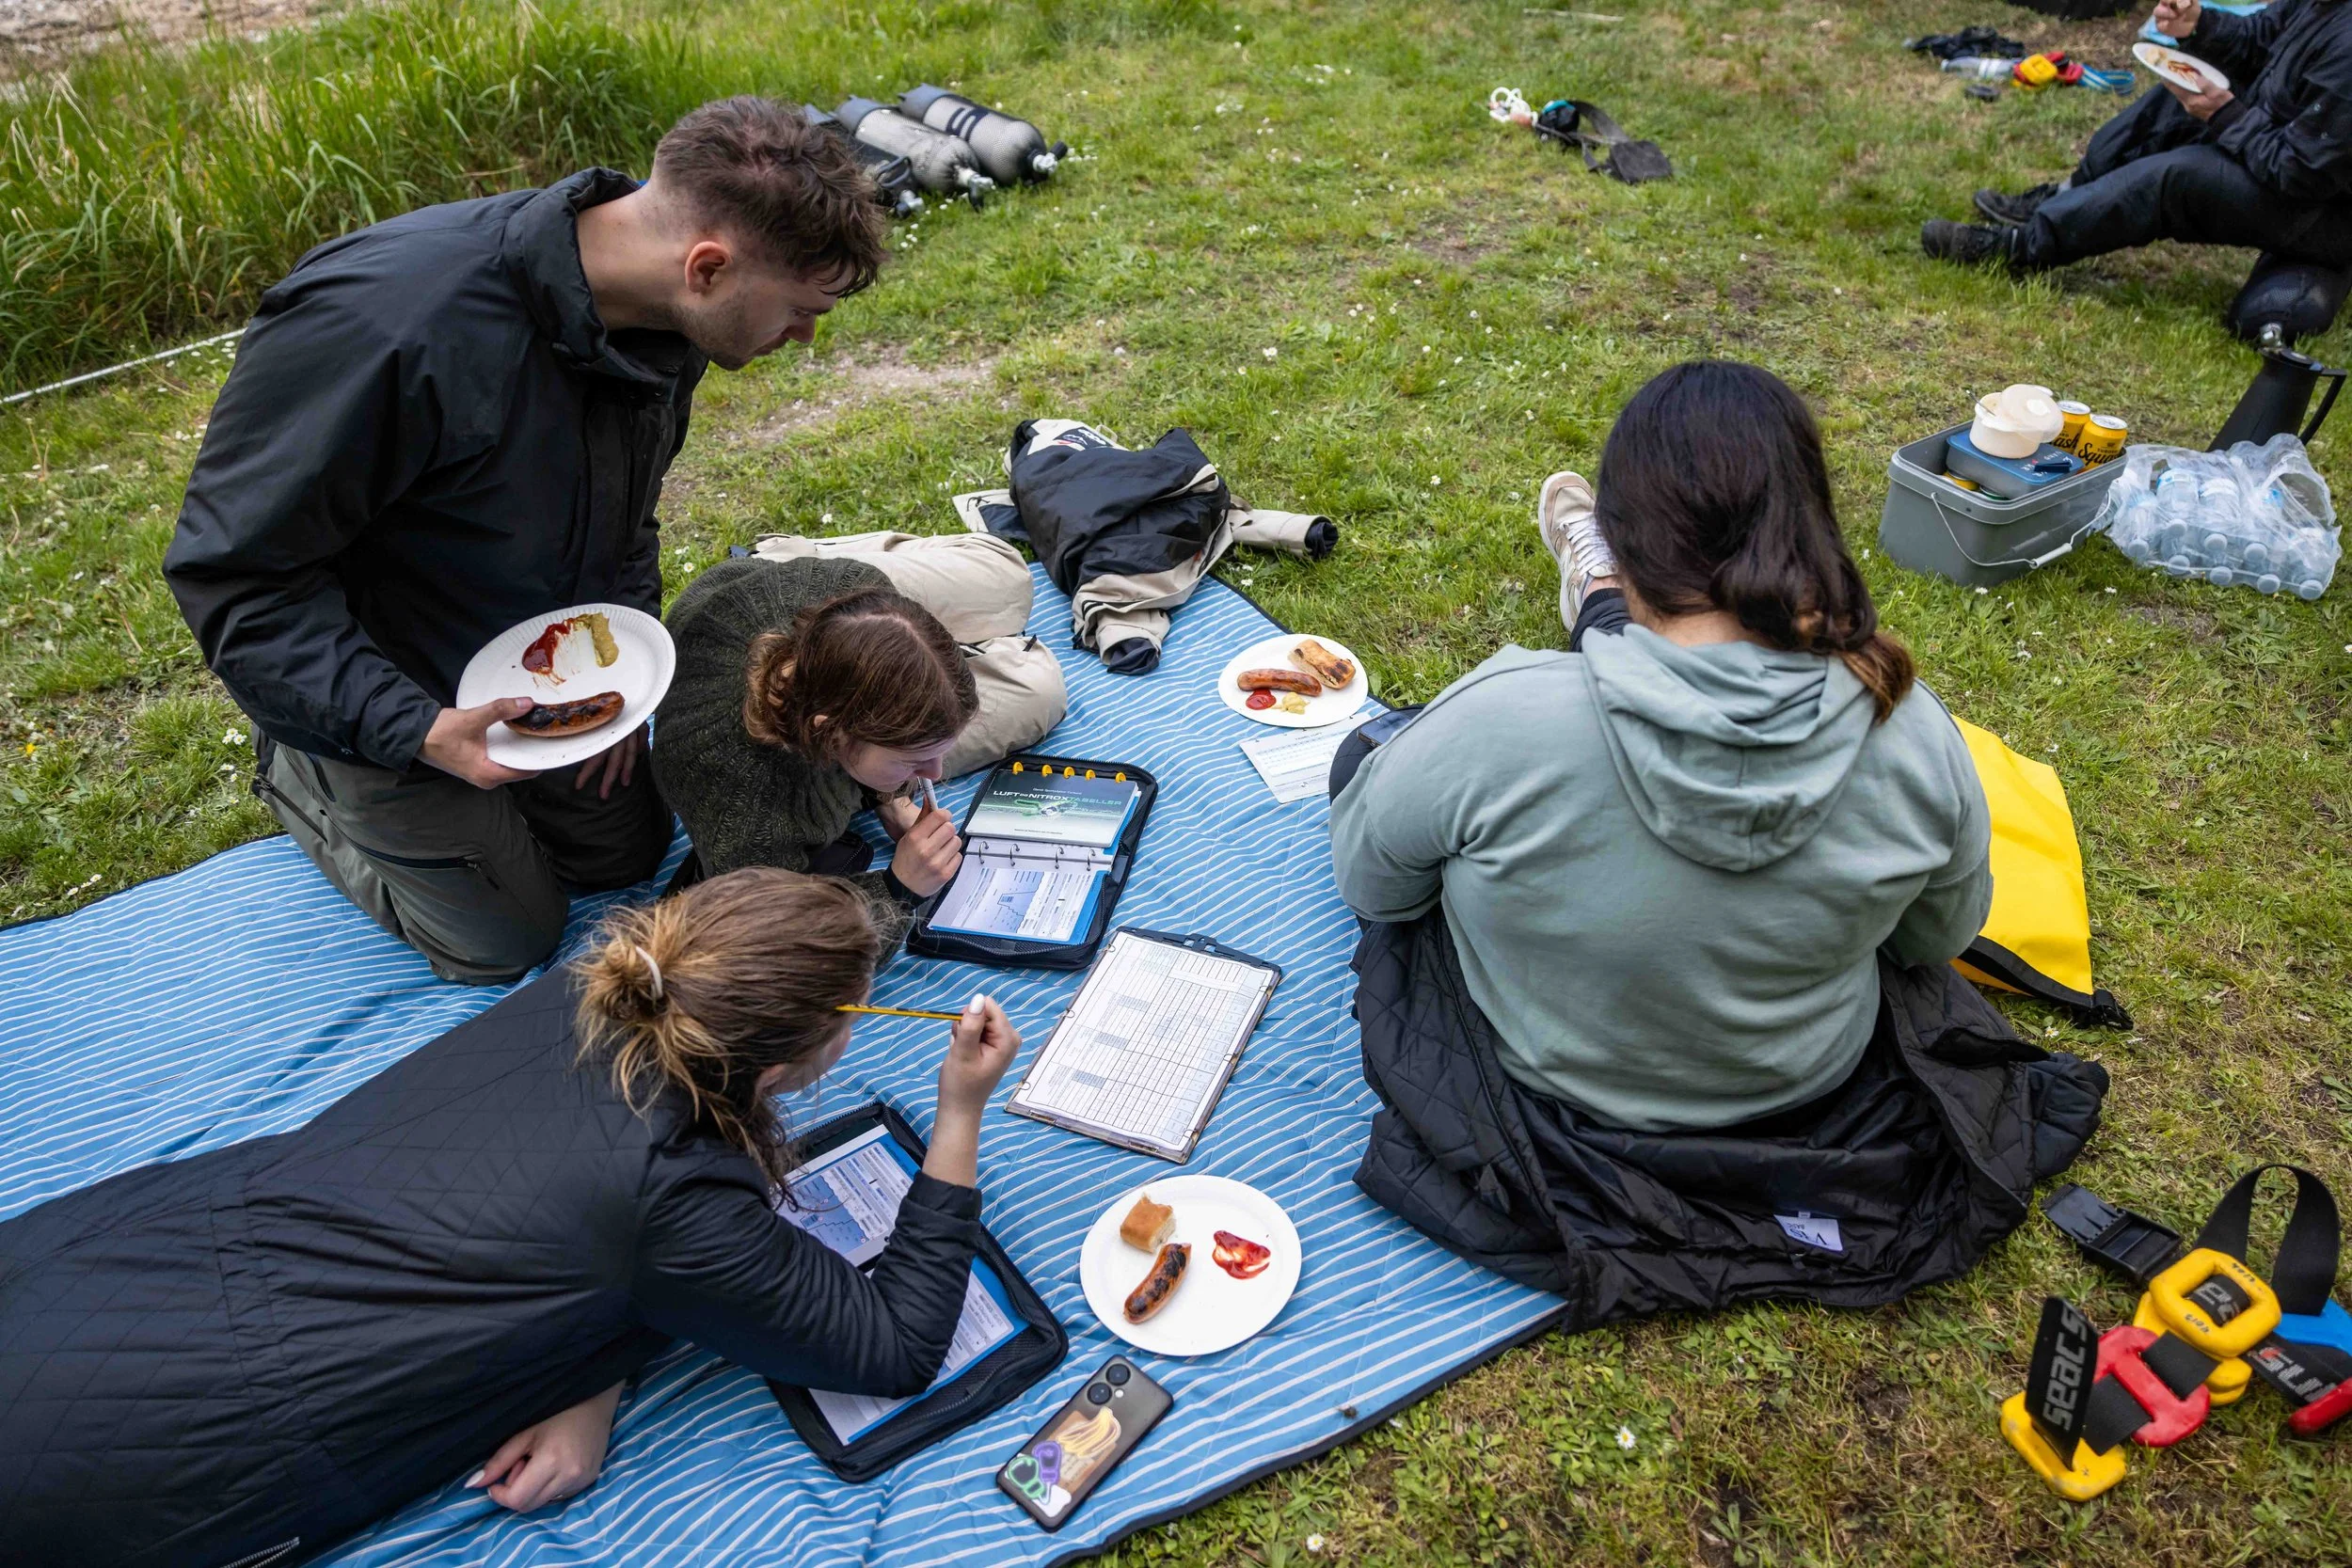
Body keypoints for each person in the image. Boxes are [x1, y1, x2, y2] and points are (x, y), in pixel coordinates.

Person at [0, 868, 1023, 1568]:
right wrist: (958, 1114)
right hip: (187, 1440)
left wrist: (593, 1369)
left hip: (121, 1251)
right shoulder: (677, 1193)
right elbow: (894, 1341)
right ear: (777, 1063)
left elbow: (570, 1242)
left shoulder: (601, 987)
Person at [164, 97, 891, 984]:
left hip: (523, 665)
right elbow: (233, 579)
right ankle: (302, 776)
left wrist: (618, 665)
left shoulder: (666, 323)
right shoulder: (387, 327)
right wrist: (413, 728)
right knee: (508, 939)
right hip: (379, 680)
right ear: (707, 265)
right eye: (802, 308)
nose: (807, 335)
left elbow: (630, 515)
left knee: (623, 856)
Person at [1328, 360, 1993, 1132]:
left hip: (1547, 1092)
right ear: (1809, 526)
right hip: (1812, 1098)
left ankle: (1596, 606)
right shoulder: (1911, 725)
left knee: (1368, 761)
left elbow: (1374, 888)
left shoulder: (1497, 718)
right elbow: (1936, 938)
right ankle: (1597, 612)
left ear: (1625, 540)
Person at [650, 531, 1069, 917]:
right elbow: (778, 940)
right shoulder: (746, 802)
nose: (935, 775)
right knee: (1040, 691)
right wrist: (899, 887)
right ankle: (781, 551)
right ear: (828, 734)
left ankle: (798, 555)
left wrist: (891, 795)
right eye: (913, 761)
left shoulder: (860, 592)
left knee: (1011, 578)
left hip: (818, 584)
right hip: (735, 620)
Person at [1922, 0, 2352, 274]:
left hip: (2319, 210)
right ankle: (2068, 193)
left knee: (2178, 179)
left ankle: (2021, 249)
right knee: (2180, 87)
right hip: (2289, 145)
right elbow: (2261, 39)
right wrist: (2198, 25)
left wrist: (2227, 116)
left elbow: (2301, 173)